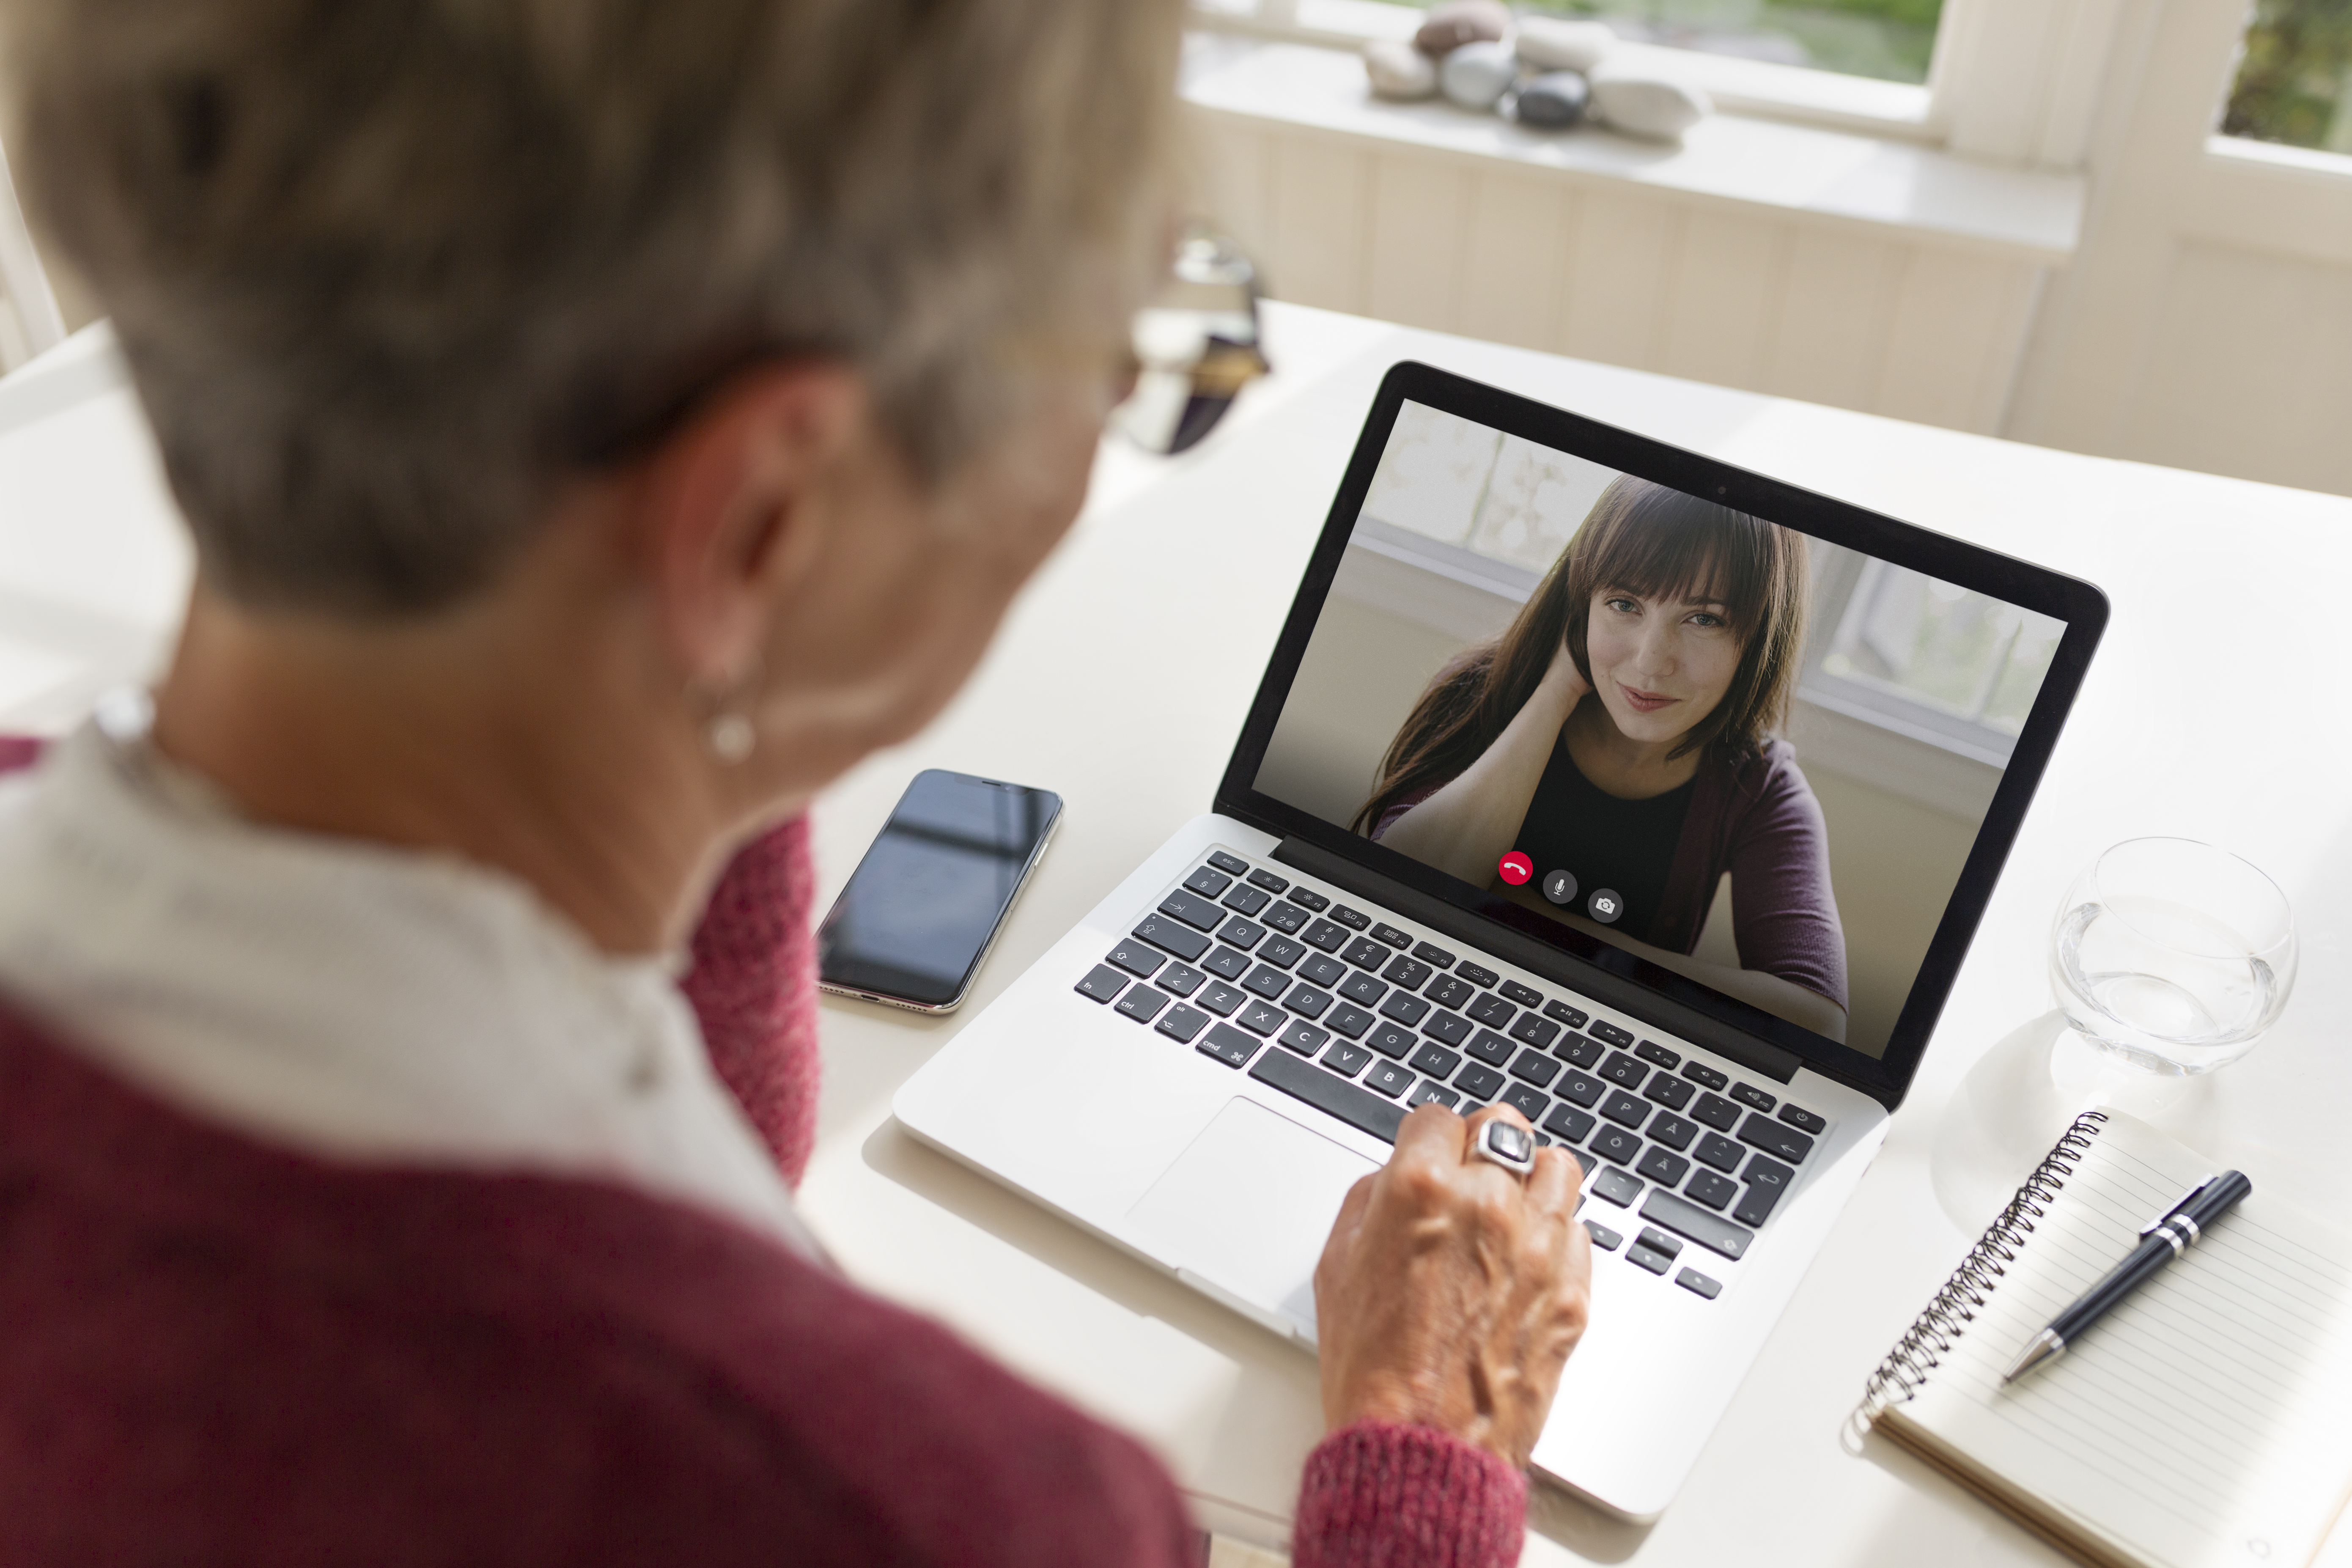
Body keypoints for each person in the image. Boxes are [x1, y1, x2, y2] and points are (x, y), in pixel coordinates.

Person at [0, 0, 1592, 1563]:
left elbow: (674, 1147)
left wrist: (705, 706)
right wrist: (1425, 1442)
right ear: (766, 515)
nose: (1155, 379)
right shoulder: (919, 1504)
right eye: (1146, 347)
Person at [1359, 476, 1849, 1041]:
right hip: (1410, 1001)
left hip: (1593, 1051)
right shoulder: (1480, 692)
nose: (1649, 663)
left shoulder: (1760, 787)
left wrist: (1531, 920)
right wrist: (1556, 692)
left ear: (1760, 635)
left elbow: (1816, 1018)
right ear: (1580, 604)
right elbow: (1391, 885)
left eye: (1704, 619)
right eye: (1623, 604)